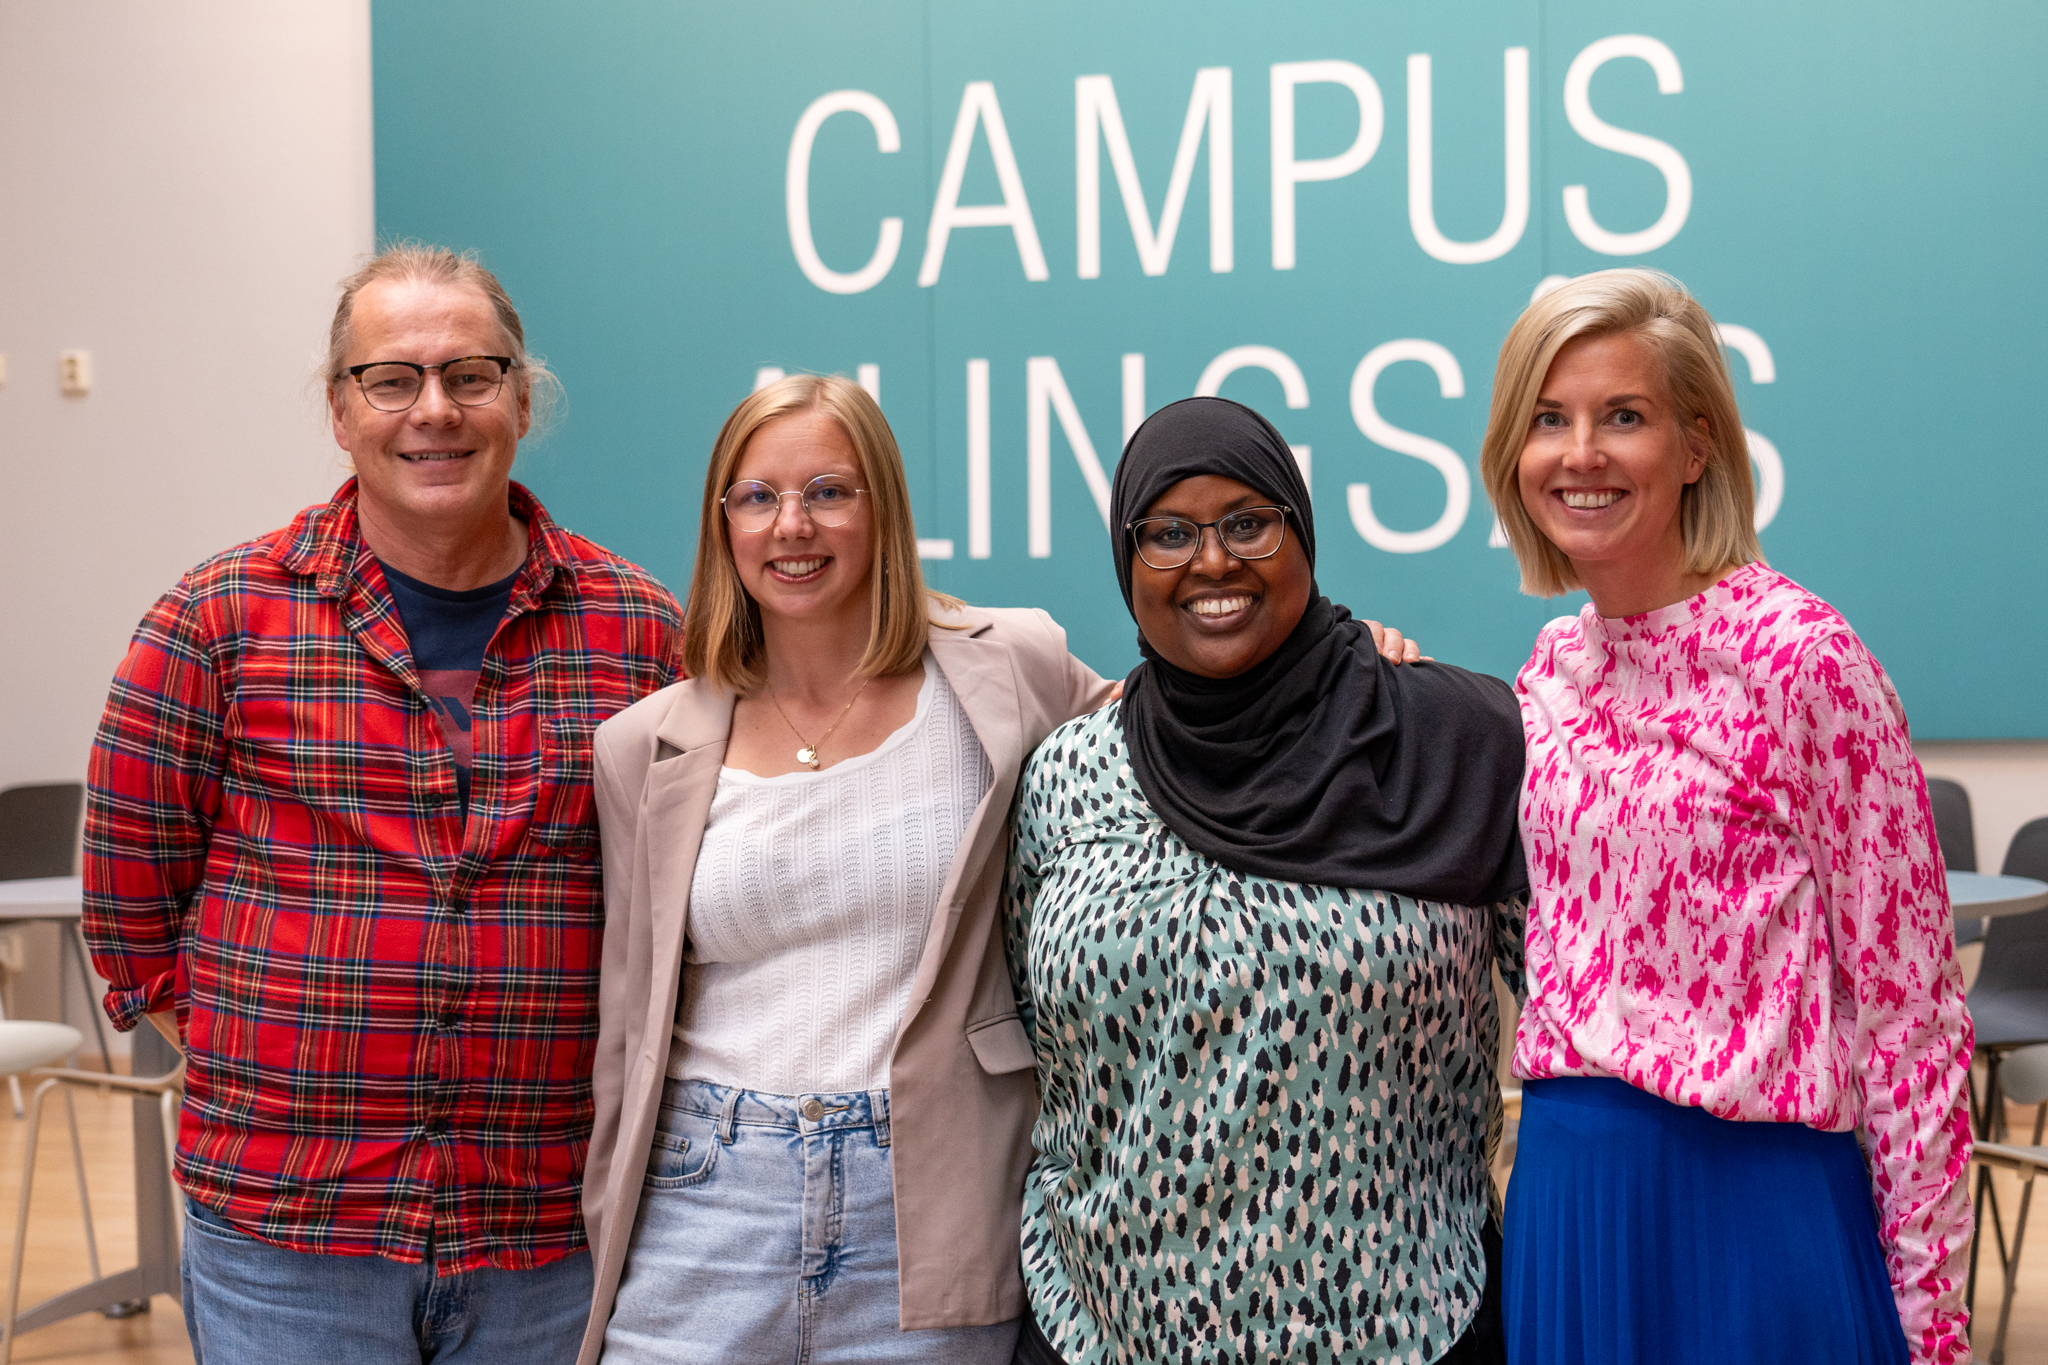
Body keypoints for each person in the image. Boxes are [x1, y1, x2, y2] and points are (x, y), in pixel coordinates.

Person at [83, 244, 685, 1363]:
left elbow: (678, 902)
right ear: (339, 410)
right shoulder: (217, 622)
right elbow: (128, 903)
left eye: (470, 375)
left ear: (520, 397)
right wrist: (253, 1054)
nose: (434, 412)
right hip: (289, 1236)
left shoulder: (638, 632)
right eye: (392, 379)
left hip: (546, 1230)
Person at [1481, 268, 1972, 1365]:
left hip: (1754, 1210)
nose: (1580, 454)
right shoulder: (1546, 674)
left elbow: (1911, 1021)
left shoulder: (1803, 661)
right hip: (1569, 1199)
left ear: (1696, 445)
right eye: (1547, 420)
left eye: (1622, 416)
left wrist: (1933, 1332)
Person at [1003, 396, 1529, 1365]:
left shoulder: (1448, 743)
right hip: (1102, 1334)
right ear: (1127, 562)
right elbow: (1037, 1049)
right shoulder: (1064, 776)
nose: (1211, 562)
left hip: (1406, 1329)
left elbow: (1563, 1029)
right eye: (1168, 533)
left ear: (1300, 530)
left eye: (1246, 522)